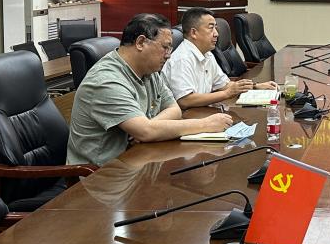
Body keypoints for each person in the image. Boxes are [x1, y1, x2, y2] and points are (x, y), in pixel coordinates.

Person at [67, 13, 233, 166]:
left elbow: (174, 109)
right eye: (165, 47)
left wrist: (149, 127)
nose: (168, 55)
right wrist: (205, 124)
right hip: (102, 175)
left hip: (138, 161)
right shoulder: (106, 80)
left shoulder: (149, 70)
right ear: (140, 43)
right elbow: (146, 132)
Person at [163, 7, 278, 109]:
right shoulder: (182, 59)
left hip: (202, 111)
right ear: (194, 33)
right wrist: (227, 94)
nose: (216, 34)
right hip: (185, 117)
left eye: (216, 28)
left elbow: (224, 85)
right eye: (211, 28)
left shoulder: (207, 54)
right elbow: (185, 100)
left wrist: (255, 86)